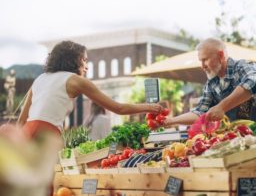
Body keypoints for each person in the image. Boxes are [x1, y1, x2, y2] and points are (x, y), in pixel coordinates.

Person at [17, 40, 163, 139]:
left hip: (26, 134)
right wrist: (150, 107)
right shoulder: (76, 80)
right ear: (73, 60)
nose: (87, 66)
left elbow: (21, 121)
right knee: (49, 183)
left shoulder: (41, 78)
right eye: (84, 60)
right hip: (47, 136)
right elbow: (118, 108)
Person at [164, 38, 256, 126]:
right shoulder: (211, 84)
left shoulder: (243, 66)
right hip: (245, 137)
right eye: (201, 61)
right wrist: (170, 121)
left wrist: (221, 107)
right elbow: (200, 112)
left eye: (205, 60)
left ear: (221, 55)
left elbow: (252, 83)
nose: (202, 66)